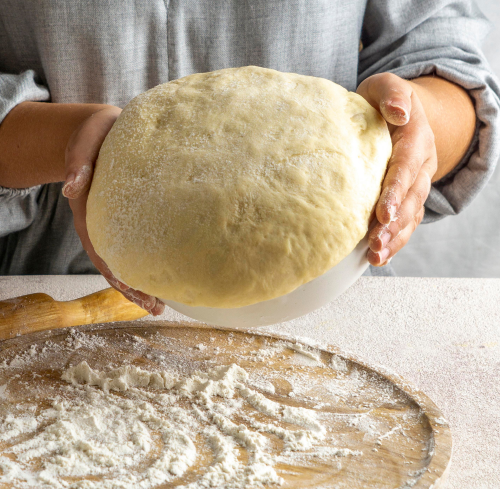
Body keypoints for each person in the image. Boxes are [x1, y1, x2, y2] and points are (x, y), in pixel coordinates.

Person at [0, 1, 498, 315]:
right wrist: (70, 142)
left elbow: (445, 55)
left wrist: (415, 119)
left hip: (331, 298)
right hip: (55, 298)